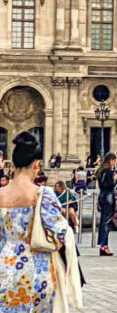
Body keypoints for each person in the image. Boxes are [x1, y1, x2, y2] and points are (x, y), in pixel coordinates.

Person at [0, 130, 79, 312]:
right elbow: (61, 232)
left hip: (4, 268)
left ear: (12, 163)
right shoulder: (42, 194)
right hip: (37, 271)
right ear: (36, 164)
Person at [96, 152, 117, 256]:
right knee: (107, 222)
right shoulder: (109, 171)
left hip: (102, 196)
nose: (115, 163)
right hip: (108, 196)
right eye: (114, 161)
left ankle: (103, 245)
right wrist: (116, 180)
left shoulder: (100, 170)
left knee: (103, 221)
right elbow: (109, 185)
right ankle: (104, 245)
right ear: (111, 160)